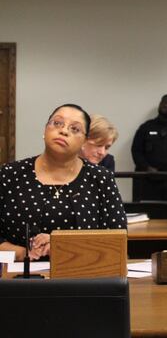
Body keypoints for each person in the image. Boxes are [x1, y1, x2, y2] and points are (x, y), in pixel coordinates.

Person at [0, 104, 127, 261]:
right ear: (45, 129)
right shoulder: (10, 174)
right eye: (57, 123)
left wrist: (62, 245)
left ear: (84, 140)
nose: (64, 131)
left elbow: (117, 240)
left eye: (75, 129)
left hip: (81, 275)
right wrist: (24, 253)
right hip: (16, 276)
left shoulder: (101, 178)